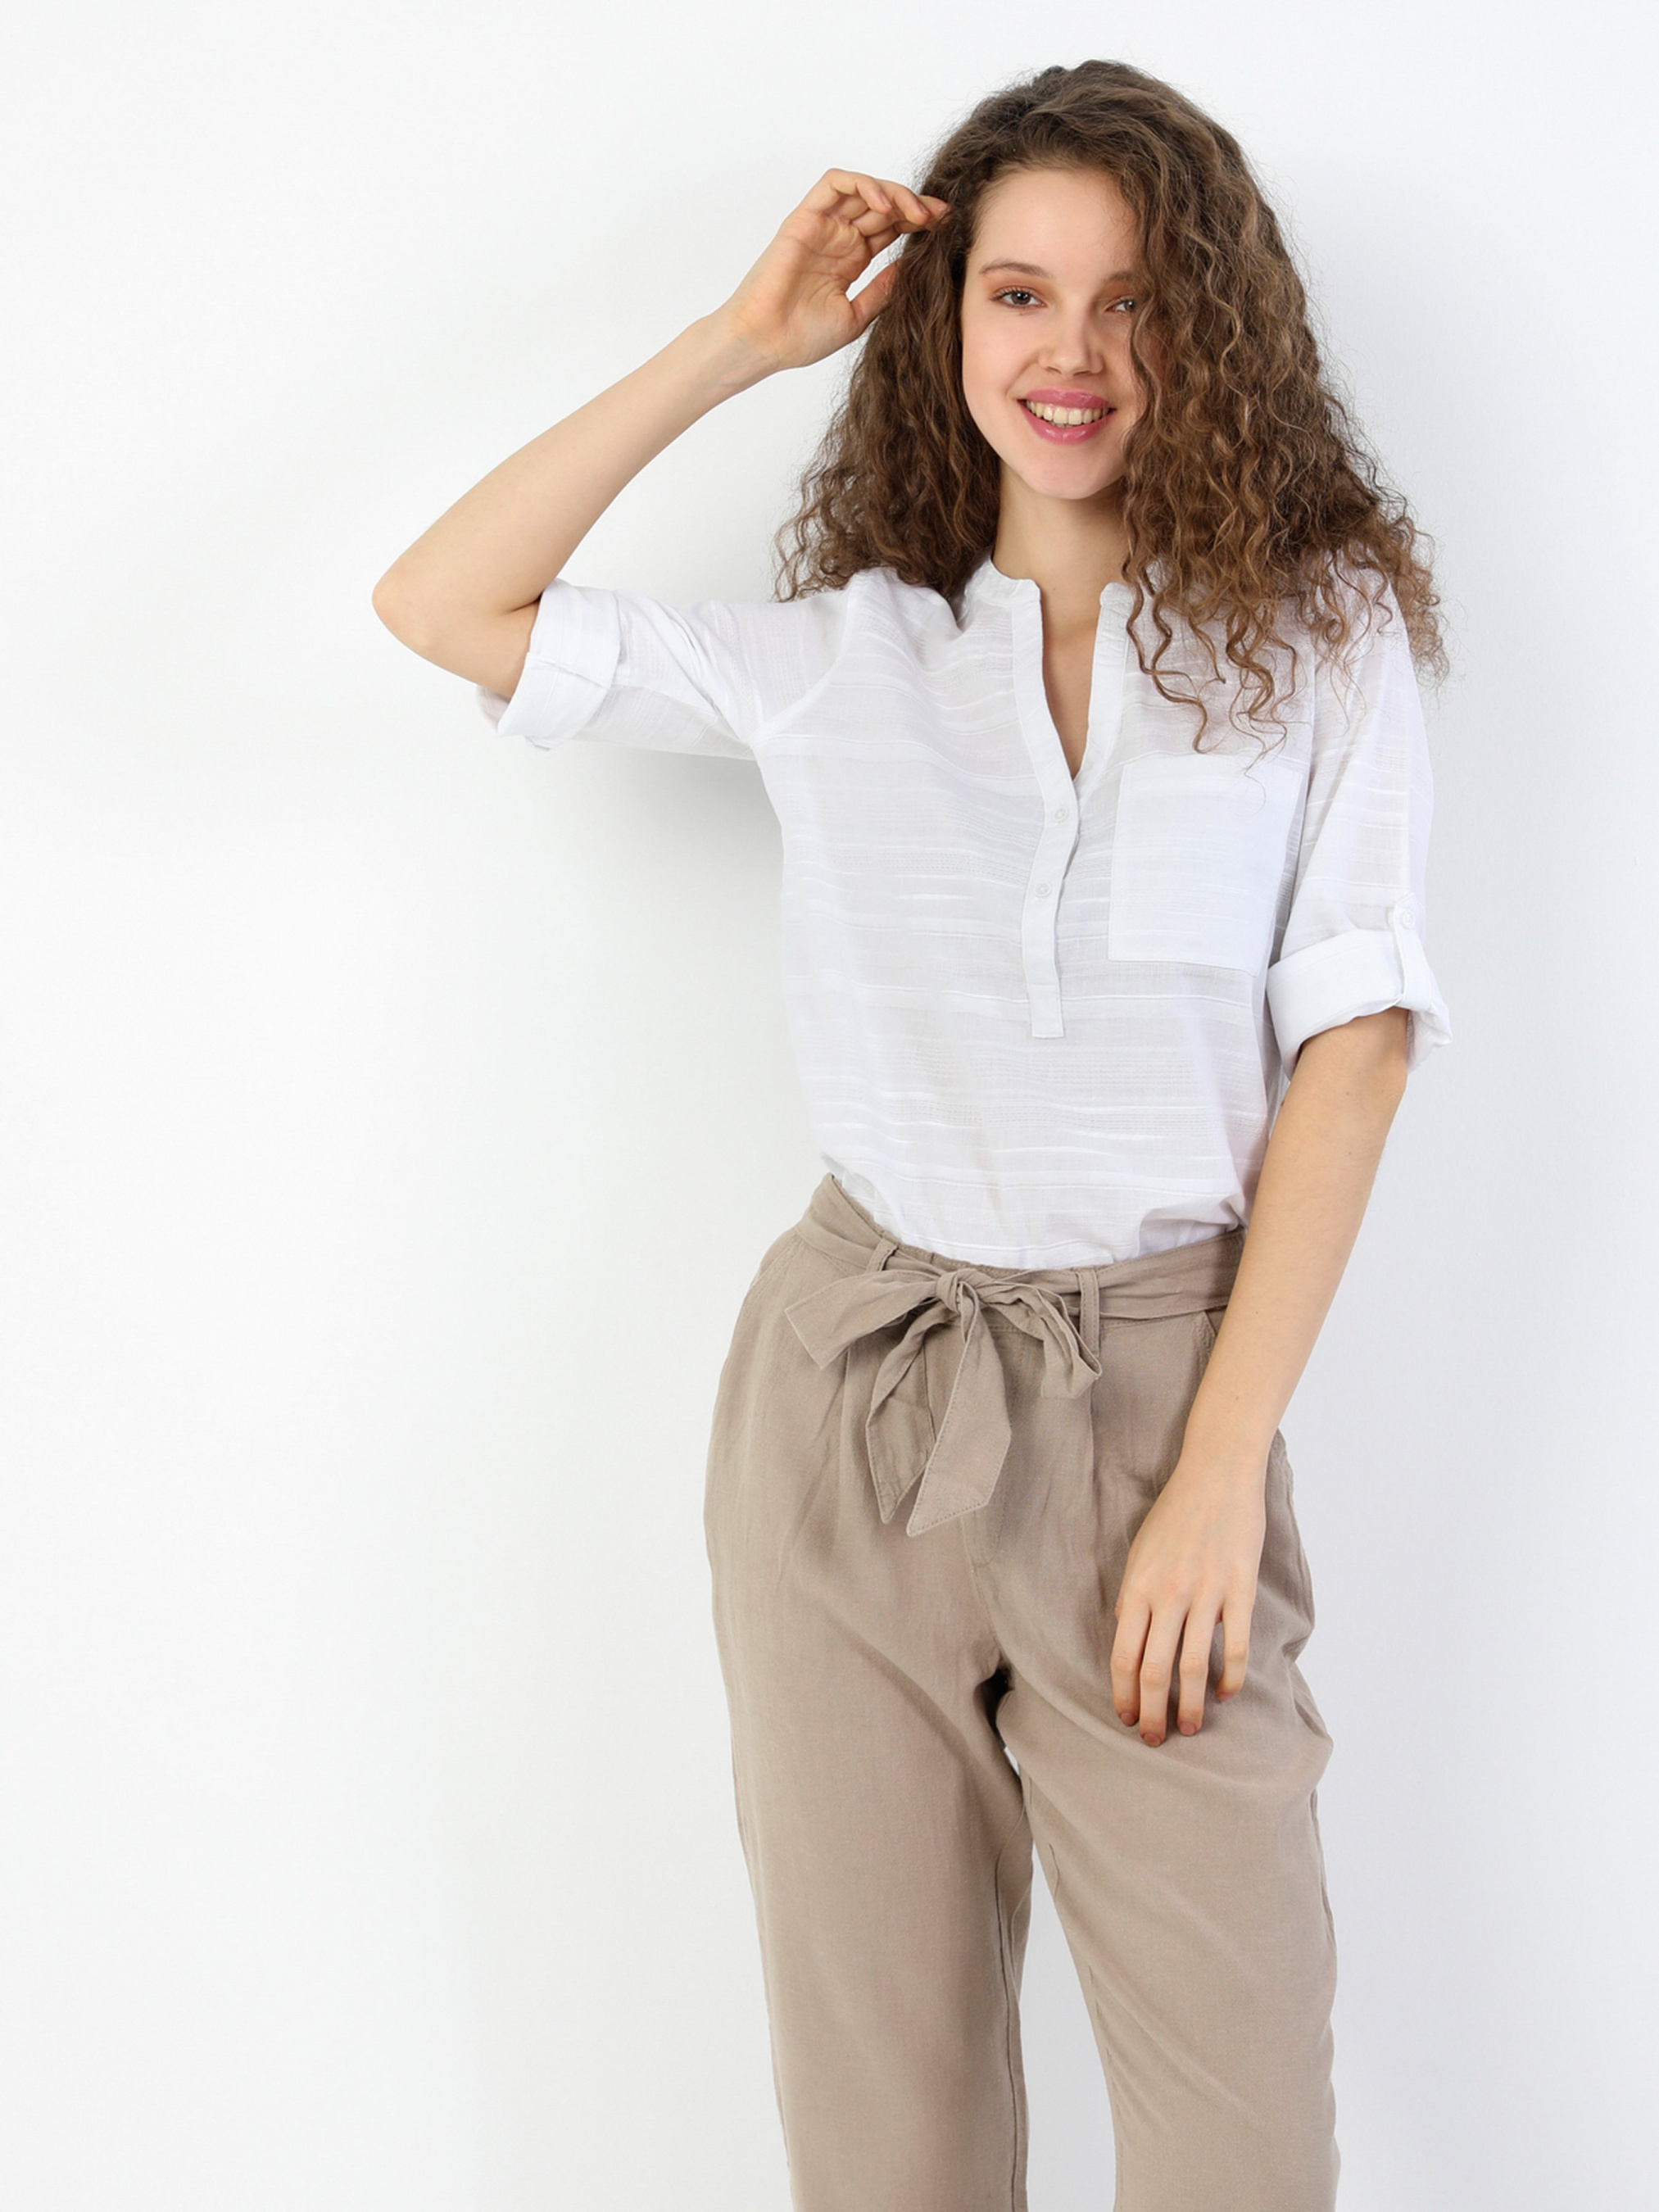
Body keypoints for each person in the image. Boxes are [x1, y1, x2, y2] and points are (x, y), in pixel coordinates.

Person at [373, 57, 1452, 2212]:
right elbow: (441, 604)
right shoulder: (845, 659)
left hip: (1161, 1403)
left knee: (1244, 2147)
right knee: (886, 2137)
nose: (1072, 354)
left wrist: (1215, 1469)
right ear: (942, 326)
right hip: (849, 1395)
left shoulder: (1314, 632)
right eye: (1018, 295)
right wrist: (737, 341)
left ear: (1211, 329)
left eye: (1132, 301)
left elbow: (1353, 1050)